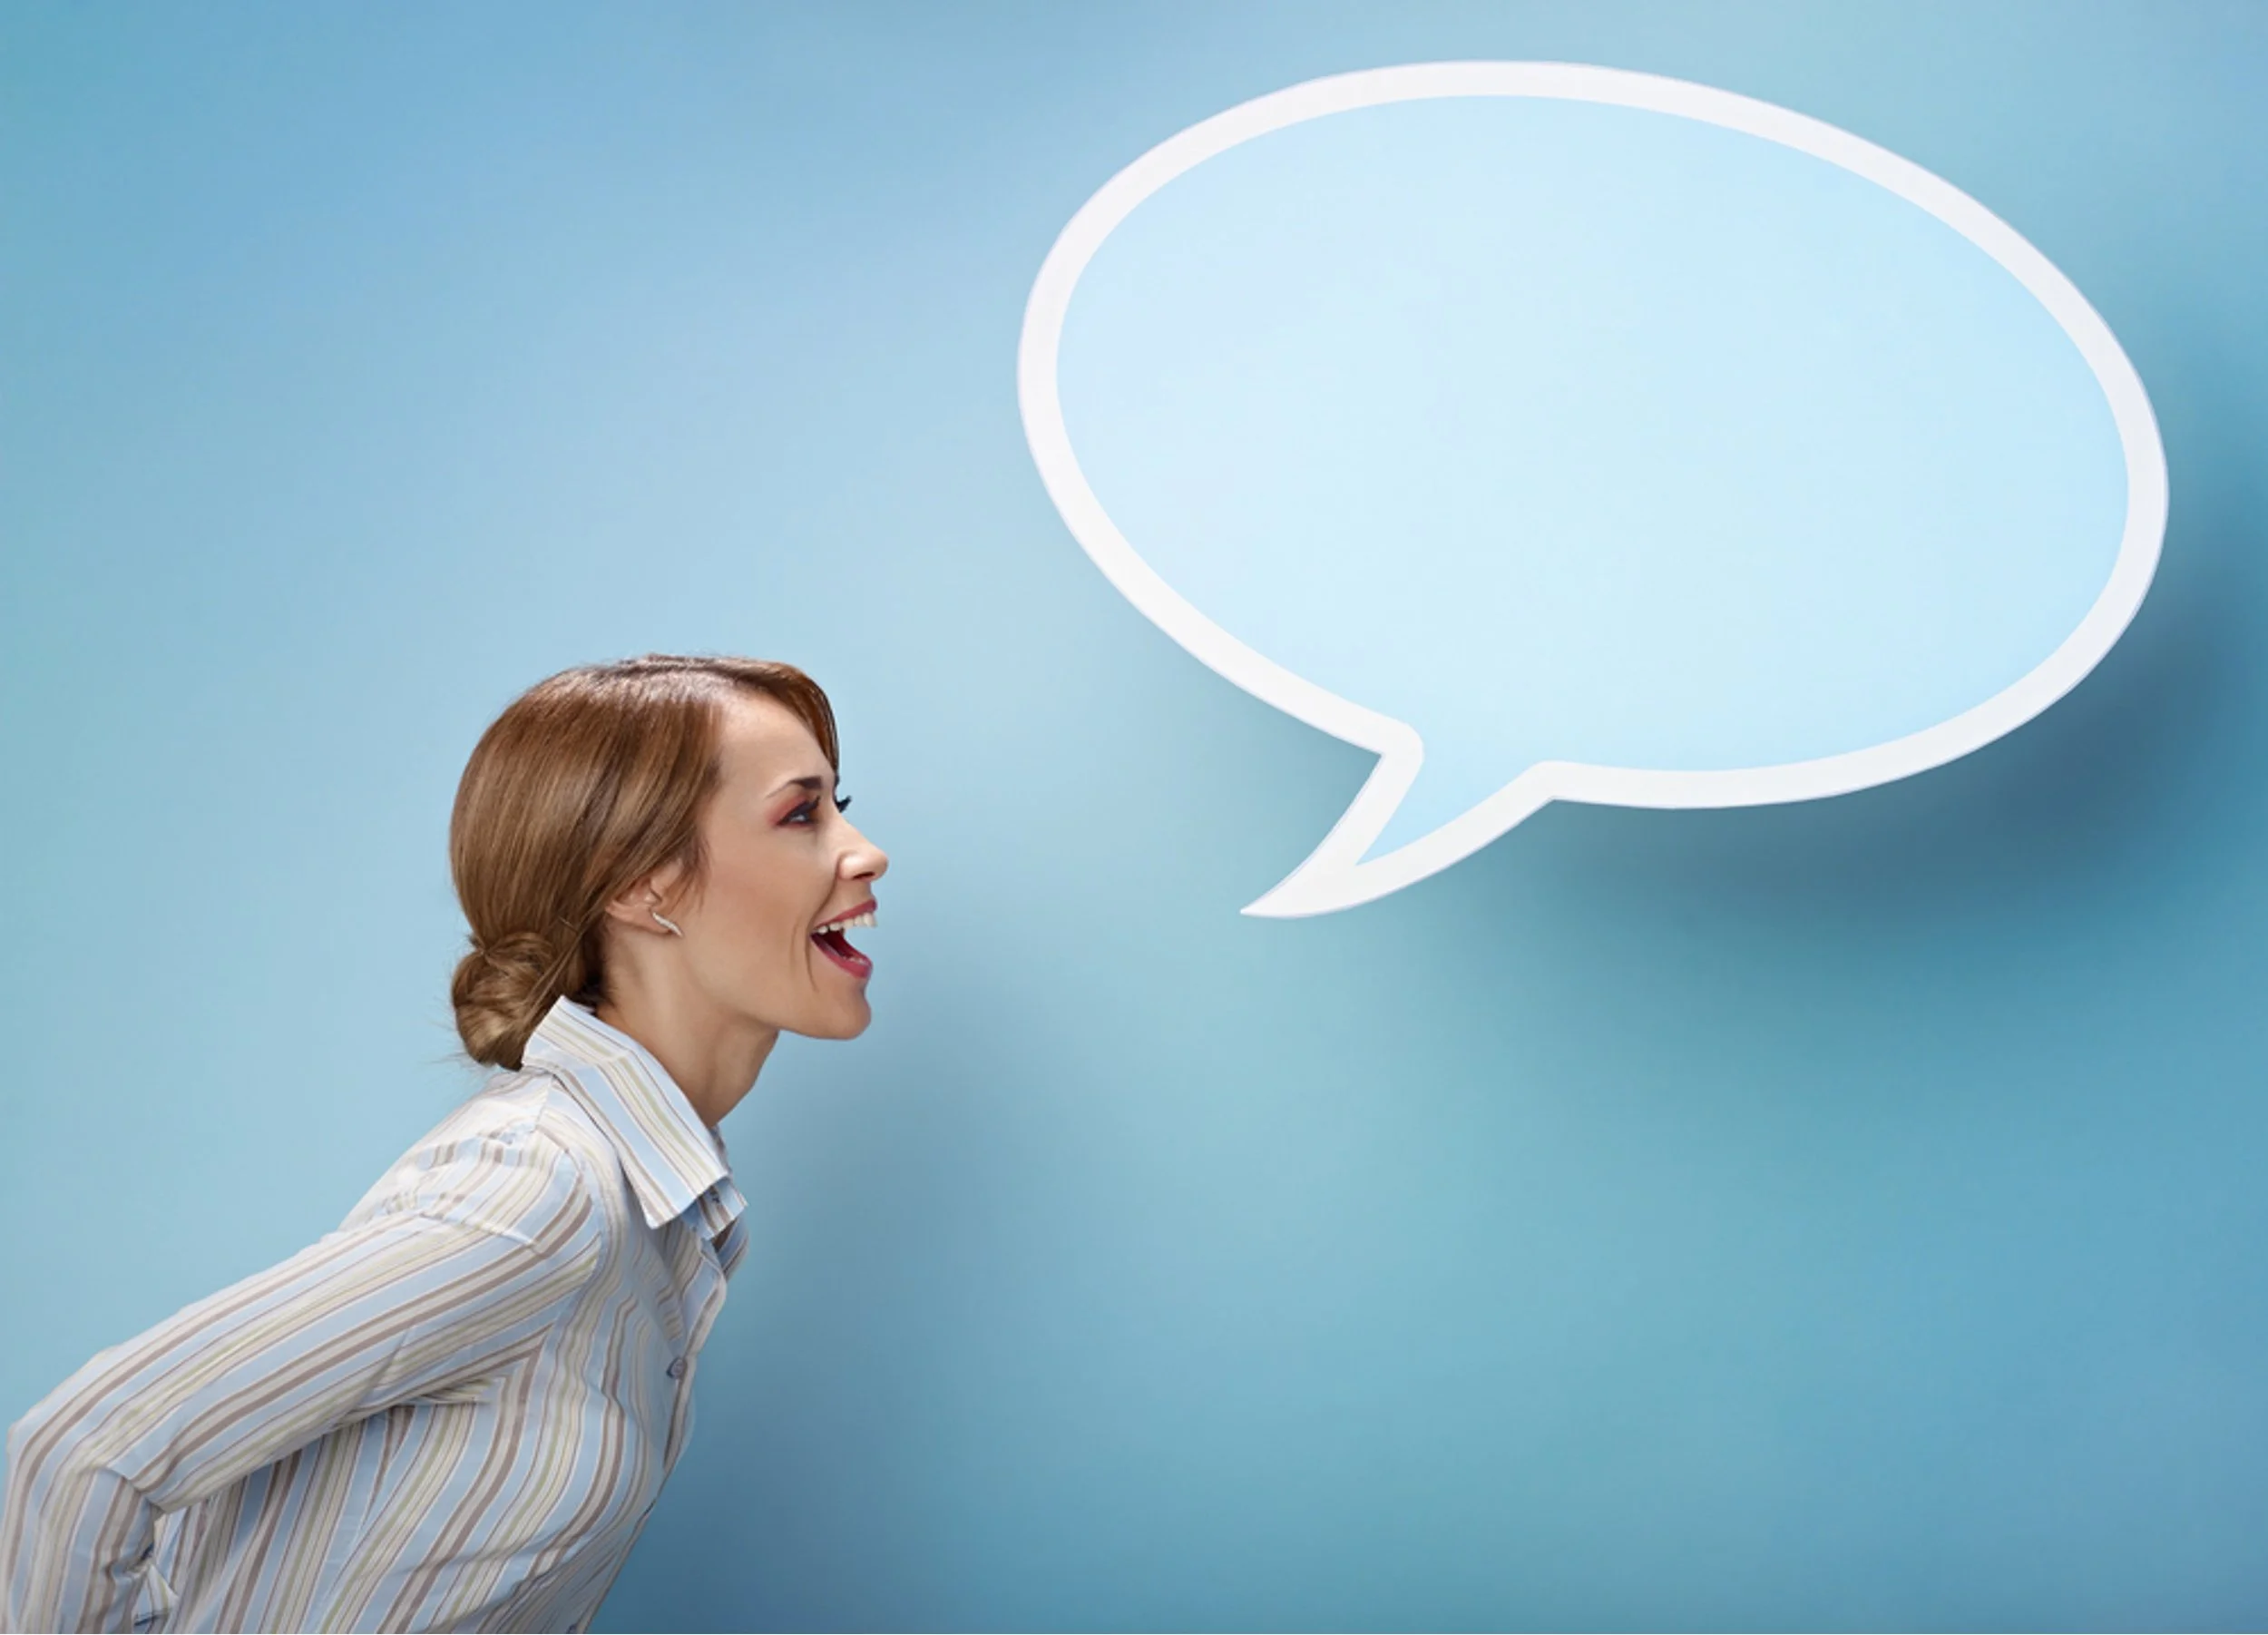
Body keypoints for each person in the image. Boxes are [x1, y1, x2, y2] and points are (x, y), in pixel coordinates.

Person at [0, 654, 888, 1633]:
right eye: (801, 814)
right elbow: (83, 1451)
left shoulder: (660, 1211)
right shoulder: (543, 1189)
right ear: (647, 884)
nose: (865, 850)